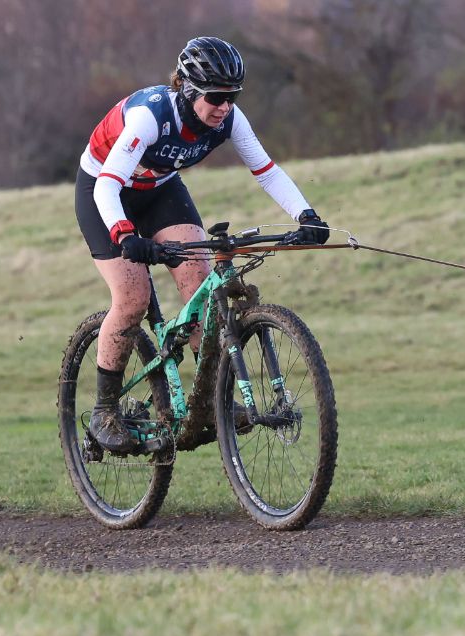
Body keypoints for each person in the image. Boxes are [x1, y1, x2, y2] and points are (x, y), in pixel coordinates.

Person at [76, 36, 328, 455]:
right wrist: (125, 235)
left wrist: (306, 215)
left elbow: (266, 171)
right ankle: (104, 412)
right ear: (189, 89)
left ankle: (210, 400)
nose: (225, 106)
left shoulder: (229, 119)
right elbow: (106, 187)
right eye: (216, 97)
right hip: (103, 190)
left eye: (232, 96)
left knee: (201, 286)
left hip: (159, 189)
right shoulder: (150, 117)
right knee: (133, 298)